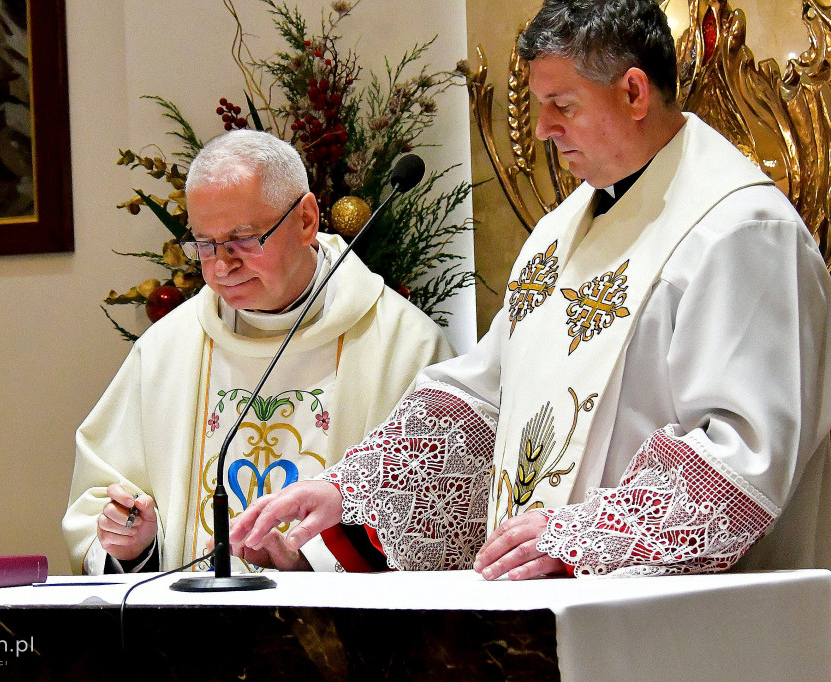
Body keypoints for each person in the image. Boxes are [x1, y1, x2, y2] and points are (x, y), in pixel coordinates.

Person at [230, 0, 831, 579]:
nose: (543, 129)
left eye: (561, 105)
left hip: (694, 624)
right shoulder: (558, 232)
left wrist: (582, 536)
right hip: (562, 612)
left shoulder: (741, 231)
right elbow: (485, 406)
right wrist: (348, 498)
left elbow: (748, 451)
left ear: (633, 92)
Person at [62, 129, 454, 575]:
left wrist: (312, 562)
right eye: (204, 245)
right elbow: (101, 497)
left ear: (306, 219)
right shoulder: (166, 351)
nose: (221, 266)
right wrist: (133, 544)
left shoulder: (405, 346)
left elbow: (432, 511)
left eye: (242, 241)